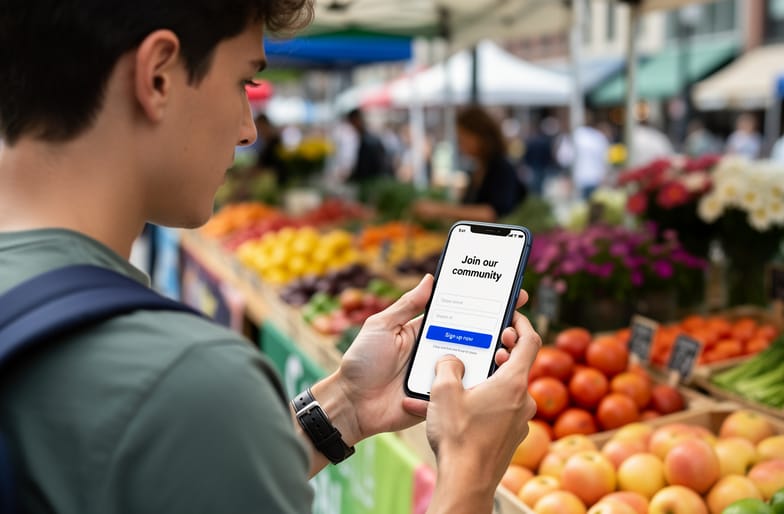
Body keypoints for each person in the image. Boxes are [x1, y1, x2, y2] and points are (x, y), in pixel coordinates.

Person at [0, 2, 541, 513]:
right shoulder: (186, 382)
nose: (247, 128)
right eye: (244, 81)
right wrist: (469, 473)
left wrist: (346, 405)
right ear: (158, 75)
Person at [413, 106, 527, 222]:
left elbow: (492, 213)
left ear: (479, 136)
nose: (461, 145)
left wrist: (439, 209)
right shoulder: (479, 168)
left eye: (463, 139)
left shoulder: (501, 168)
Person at [555, 114, 610, 200]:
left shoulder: (573, 136)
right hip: (595, 177)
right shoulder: (598, 136)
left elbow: (563, 158)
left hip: (577, 179)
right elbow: (605, 158)